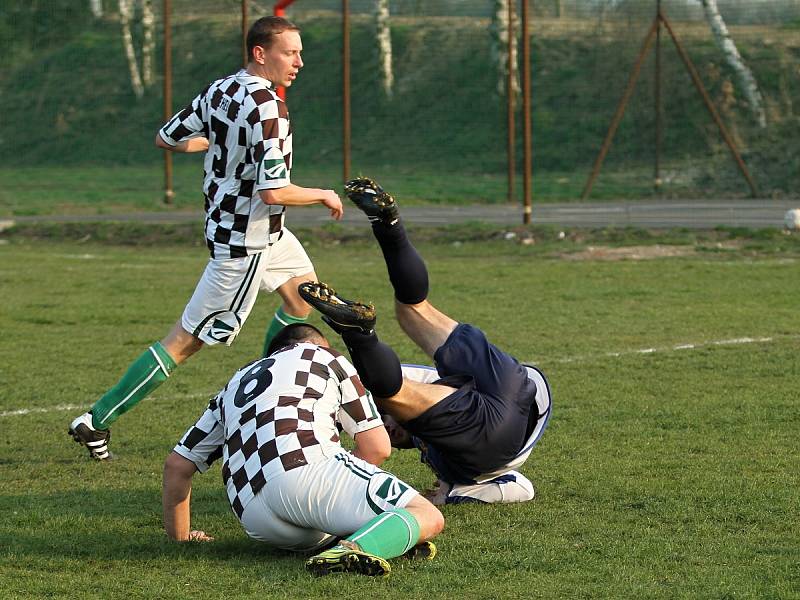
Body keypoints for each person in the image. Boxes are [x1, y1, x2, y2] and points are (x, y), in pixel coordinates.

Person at [68, 16, 344, 460]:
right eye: (290, 53)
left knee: (303, 300)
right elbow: (274, 191)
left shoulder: (220, 89)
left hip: (260, 232)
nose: (300, 62)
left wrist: (218, 144)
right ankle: (95, 420)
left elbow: (168, 138)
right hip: (246, 244)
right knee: (184, 342)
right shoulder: (270, 108)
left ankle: (269, 394)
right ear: (260, 53)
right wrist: (324, 194)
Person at [298, 177, 552, 505]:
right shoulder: (442, 441)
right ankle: (385, 233)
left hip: (508, 398)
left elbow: (370, 386)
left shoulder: (439, 434)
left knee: (404, 339)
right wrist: (454, 492)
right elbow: (522, 487)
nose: (388, 428)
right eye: (386, 426)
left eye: (383, 423)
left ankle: (383, 238)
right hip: (509, 397)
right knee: (410, 325)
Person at [162, 323, 444, 577]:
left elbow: (177, 465)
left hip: (253, 516)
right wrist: (338, 484)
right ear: (318, 343)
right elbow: (378, 447)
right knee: (426, 514)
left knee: (339, 511)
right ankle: (357, 546)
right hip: (303, 471)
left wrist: (181, 538)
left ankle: (375, 536)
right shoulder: (325, 357)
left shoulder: (233, 385)